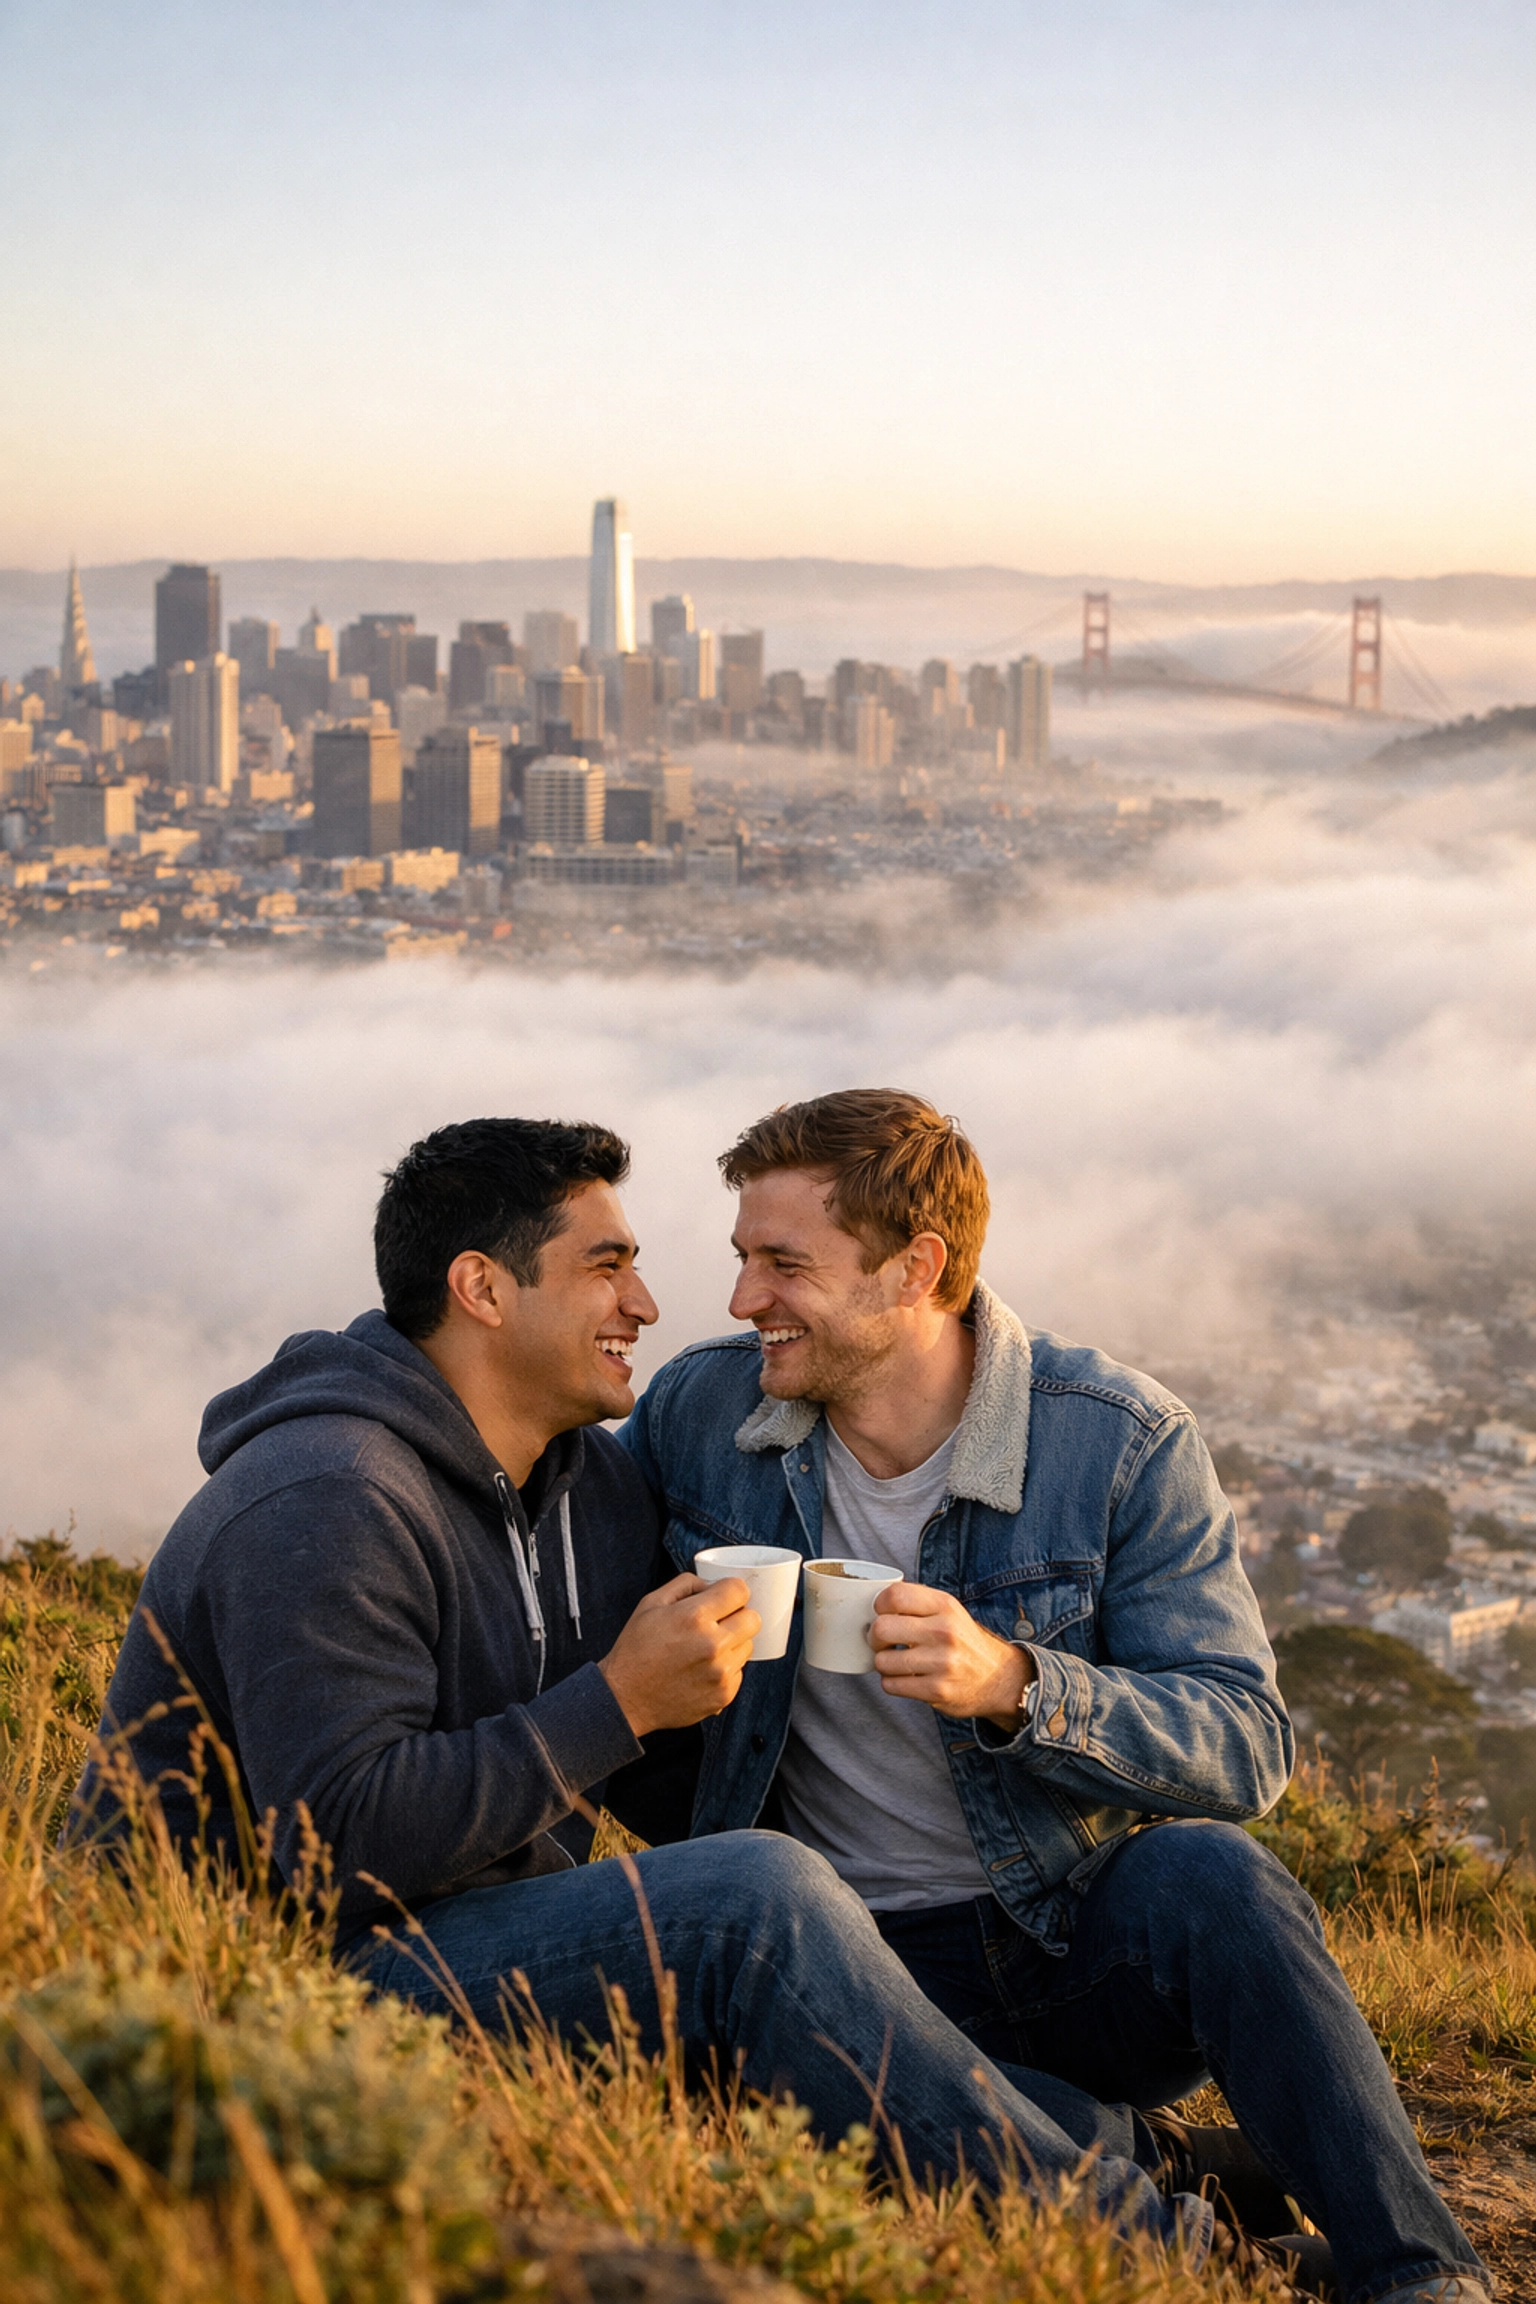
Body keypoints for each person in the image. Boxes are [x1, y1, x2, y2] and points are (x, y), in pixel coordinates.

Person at [76, 1115, 1213, 2266]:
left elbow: (671, 1777)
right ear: (481, 1289)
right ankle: (1155, 2245)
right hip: (267, 1979)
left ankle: (1131, 2151)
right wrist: (616, 1703)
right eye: (606, 1267)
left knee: (782, 1980)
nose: (651, 1307)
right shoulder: (327, 1495)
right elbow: (339, 1847)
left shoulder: (582, 1493)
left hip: (487, 1927)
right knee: (749, 1906)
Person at [621, 1089, 1489, 2304]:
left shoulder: (1119, 1441)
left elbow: (1246, 1744)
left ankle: (1419, 2281)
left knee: (1215, 1877)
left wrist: (1017, 1686)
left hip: (1064, 1941)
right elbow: (536, 1544)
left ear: (916, 1267)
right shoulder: (701, 1414)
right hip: (840, 1961)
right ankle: (1174, 2192)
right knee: (764, 2086)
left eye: (783, 1264)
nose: (742, 1300)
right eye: (742, 1259)